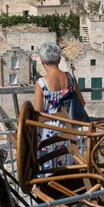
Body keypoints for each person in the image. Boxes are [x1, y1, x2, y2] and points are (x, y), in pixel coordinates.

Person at [34, 42, 85, 170]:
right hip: (69, 129)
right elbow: (82, 103)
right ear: (59, 59)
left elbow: (37, 113)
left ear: (41, 61)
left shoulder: (41, 84)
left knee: (50, 169)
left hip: (49, 133)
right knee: (68, 166)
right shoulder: (71, 78)